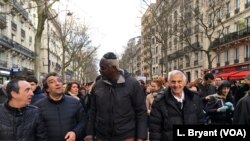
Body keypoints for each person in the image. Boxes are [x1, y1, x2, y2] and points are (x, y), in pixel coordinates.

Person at [85, 52, 147, 141]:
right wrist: (90, 133)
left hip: (126, 136)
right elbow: (93, 111)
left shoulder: (133, 84)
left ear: (113, 68)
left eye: (102, 68)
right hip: (102, 136)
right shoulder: (97, 86)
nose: (100, 70)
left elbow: (141, 112)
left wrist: (141, 137)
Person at [149, 70, 205, 141]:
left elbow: (200, 121)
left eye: (179, 81)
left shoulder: (195, 98)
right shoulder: (159, 101)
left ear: (184, 83)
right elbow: (155, 129)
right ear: (168, 83)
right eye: (173, 82)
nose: (176, 85)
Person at [34, 72, 86, 141]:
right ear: (47, 89)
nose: (57, 83)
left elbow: (83, 121)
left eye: (59, 81)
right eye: (52, 82)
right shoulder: (38, 106)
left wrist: (75, 132)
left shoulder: (75, 102)